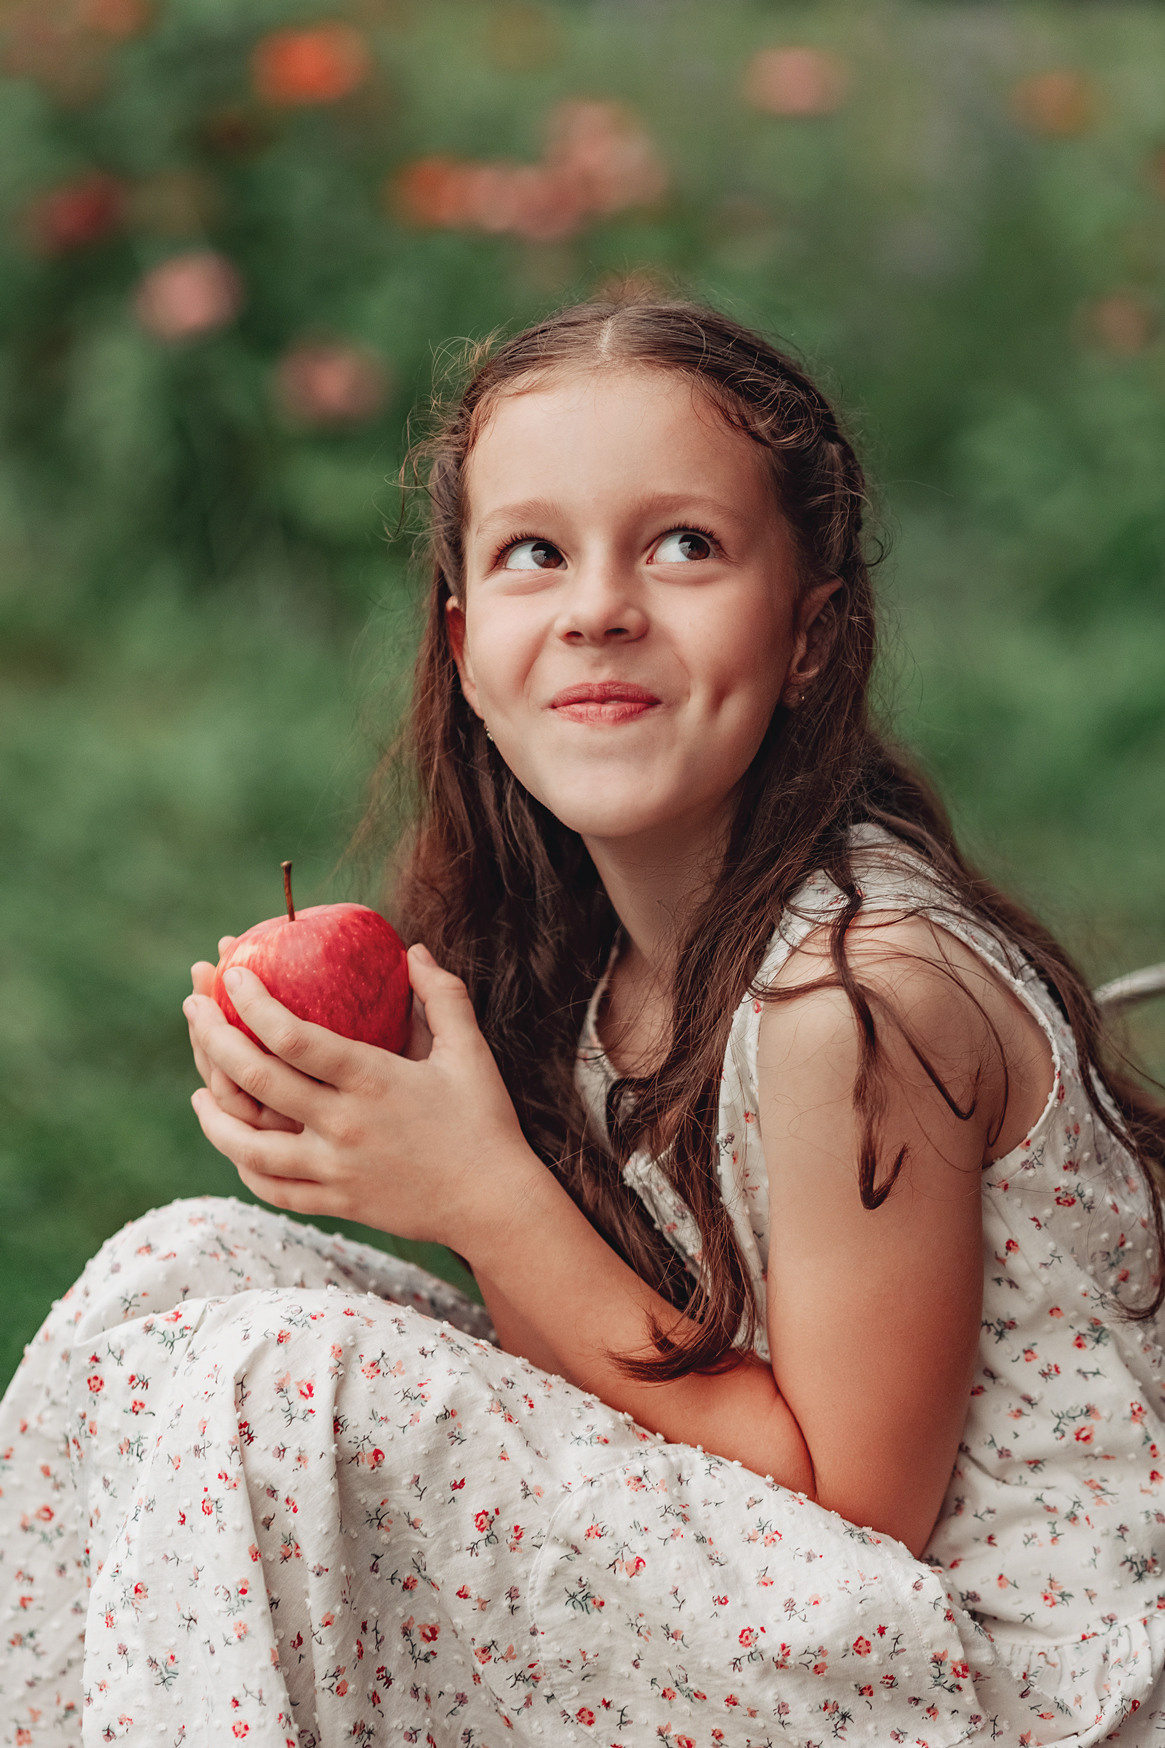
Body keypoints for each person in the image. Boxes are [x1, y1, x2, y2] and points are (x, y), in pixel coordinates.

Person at [3, 298, 1164, 1747]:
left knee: (290, 1379)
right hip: (796, 1605)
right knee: (174, 1273)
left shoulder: (855, 996)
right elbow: (614, 1405)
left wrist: (484, 1197)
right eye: (532, 553)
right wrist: (426, 1153)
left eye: (682, 545)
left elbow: (857, 1525)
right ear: (469, 648)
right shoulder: (576, 975)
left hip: (1000, 1679)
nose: (598, 605)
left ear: (809, 632)